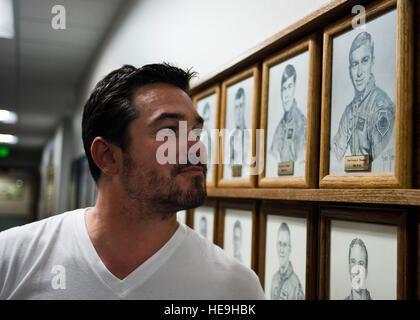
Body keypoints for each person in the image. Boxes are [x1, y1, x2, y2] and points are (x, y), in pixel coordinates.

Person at [0, 63, 265, 300]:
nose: (196, 147)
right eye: (169, 131)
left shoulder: (235, 287)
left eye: (196, 131)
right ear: (107, 156)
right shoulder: (12, 258)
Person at [332, 31, 395, 163]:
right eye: (355, 64)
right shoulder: (349, 111)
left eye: (364, 61)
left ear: (372, 62)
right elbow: (333, 158)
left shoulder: (381, 107)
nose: (359, 72)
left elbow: (381, 164)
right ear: (350, 71)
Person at [270, 64, 306, 165]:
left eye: (289, 87)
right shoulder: (280, 126)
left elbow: (301, 165)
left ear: (295, 88)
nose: (286, 95)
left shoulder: (302, 124)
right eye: (283, 89)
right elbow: (271, 161)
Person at [270, 223, 304, 300]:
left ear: (290, 249)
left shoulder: (295, 285)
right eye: (279, 244)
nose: (281, 250)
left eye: (285, 245)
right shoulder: (274, 279)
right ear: (276, 246)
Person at [229, 87, 250, 173]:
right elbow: (230, 165)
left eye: (241, 106)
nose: (238, 111)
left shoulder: (250, 137)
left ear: (245, 107)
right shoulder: (232, 137)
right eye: (236, 107)